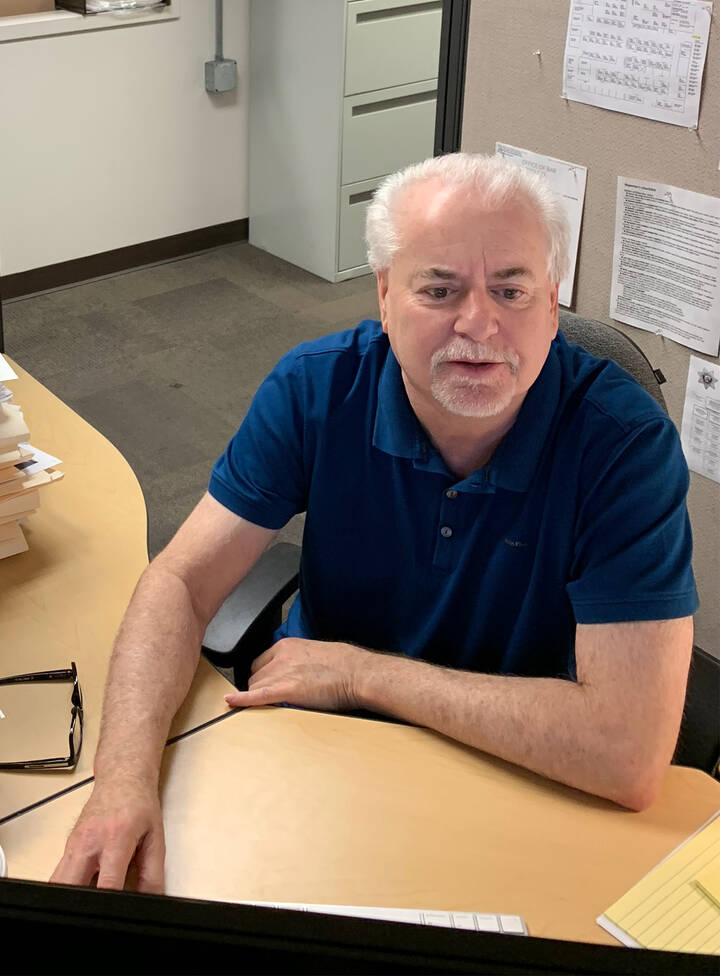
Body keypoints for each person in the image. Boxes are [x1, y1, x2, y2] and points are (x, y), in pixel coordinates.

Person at [51, 152, 698, 895]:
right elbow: (180, 582)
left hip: (516, 765)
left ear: (552, 305)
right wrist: (121, 782)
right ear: (386, 297)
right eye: (440, 289)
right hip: (323, 740)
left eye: (512, 290)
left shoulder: (624, 445)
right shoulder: (317, 389)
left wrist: (361, 674)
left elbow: (625, 752)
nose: (479, 322)